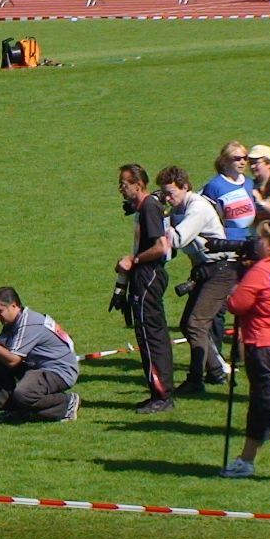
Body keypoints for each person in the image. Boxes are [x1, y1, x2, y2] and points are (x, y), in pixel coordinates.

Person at [220, 219, 270, 485]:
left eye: (260, 239)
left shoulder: (261, 271)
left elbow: (236, 304)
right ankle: (246, 460)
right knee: (260, 403)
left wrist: (234, 288)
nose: (256, 244)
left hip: (267, 346)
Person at [161, 165, 234, 396]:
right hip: (205, 270)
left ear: (185, 187)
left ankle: (196, 379)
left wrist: (156, 217)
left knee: (195, 324)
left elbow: (179, 239)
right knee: (189, 324)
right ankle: (215, 371)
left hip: (220, 270)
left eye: (171, 193)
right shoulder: (181, 207)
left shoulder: (198, 207)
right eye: (163, 193)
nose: (167, 198)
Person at [115, 164, 174, 414]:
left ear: (138, 185)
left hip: (148, 276)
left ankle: (161, 396)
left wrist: (135, 260)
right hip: (147, 275)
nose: (121, 189)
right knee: (153, 335)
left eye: (124, 184)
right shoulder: (145, 207)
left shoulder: (149, 206)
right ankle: (159, 393)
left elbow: (161, 247)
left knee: (150, 338)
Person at [0, 287, 80, 422]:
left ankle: (66, 403)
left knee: (24, 394)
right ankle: (13, 410)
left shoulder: (29, 323)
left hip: (59, 370)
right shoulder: (12, 322)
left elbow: (12, 361)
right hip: (39, 367)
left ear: (13, 306)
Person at [248, 144, 270, 219]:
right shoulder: (251, 185)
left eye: (256, 163)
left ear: (268, 164)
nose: (252, 166)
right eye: (250, 163)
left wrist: (261, 203)